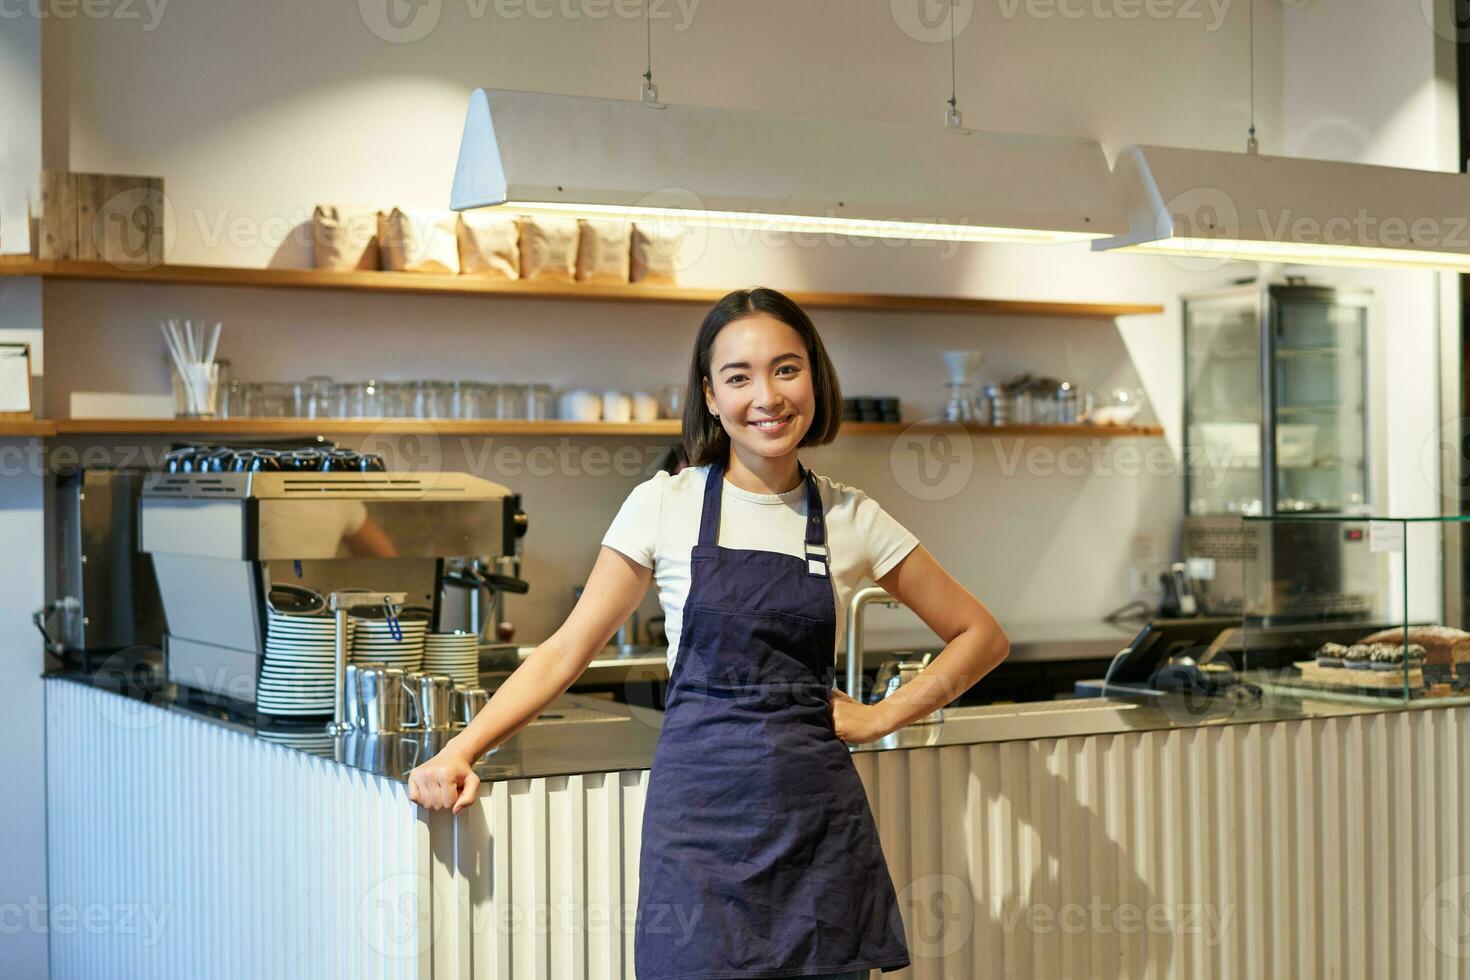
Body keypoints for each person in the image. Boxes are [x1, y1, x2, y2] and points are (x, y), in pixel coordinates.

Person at [409, 287, 1010, 979]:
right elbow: (566, 651)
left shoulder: (851, 517)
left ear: (815, 376)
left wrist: (882, 717)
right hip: (698, 832)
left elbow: (981, 636)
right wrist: (461, 750)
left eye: (787, 369)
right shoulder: (664, 503)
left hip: (816, 833)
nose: (768, 396)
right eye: (739, 376)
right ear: (711, 394)